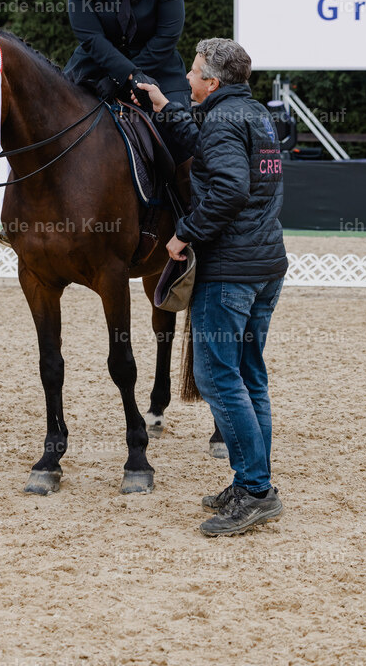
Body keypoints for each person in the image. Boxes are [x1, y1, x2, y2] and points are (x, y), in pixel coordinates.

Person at [136, 38, 288, 537]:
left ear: (213, 82)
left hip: (230, 269)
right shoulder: (253, 114)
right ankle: (253, 483)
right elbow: (209, 145)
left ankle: (256, 489)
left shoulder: (224, 120)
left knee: (218, 377)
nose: (187, 80)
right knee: (250, 377)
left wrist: (183, 235)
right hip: (266, 263)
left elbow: (228, 188)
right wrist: (164, 109)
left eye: (195, 72)